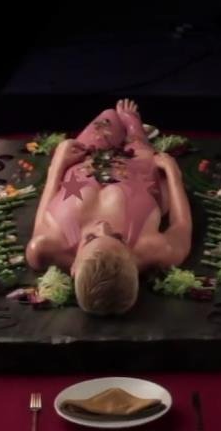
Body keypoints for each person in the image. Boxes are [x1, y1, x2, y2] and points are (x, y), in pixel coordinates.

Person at [26, 99, 192, 315]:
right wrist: (173, 173)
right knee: (132, 131)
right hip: (137, 169)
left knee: (109, 116)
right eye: (118, 237)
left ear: (74, 268)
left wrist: (57, 163)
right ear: (133, 262)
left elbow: (44, 210)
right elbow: (182, 224)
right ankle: (136, 131)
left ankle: (128, 131)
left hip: (86, 160)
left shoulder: (42, 248)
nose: (102, 226)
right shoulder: (155, 249)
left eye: (91, 238)